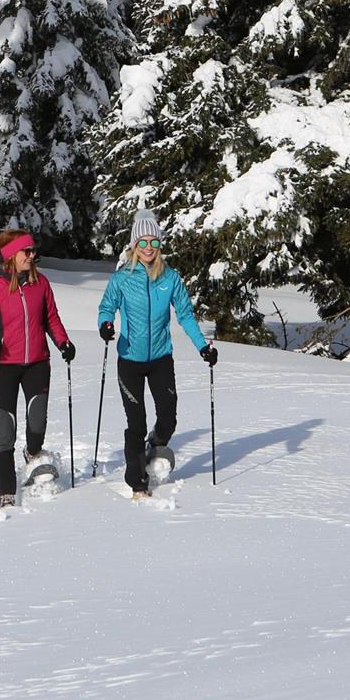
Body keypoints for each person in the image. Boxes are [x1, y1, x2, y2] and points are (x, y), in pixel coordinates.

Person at [96, 209, 216, 498]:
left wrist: (203, 346)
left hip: (161, 358)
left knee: (169, 417)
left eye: (154, 242)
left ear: (161, 245)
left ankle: (156, 443)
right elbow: (106, 307)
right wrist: (105, 325)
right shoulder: (122, 278)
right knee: (135, 423)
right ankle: (137, 482)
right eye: (143, 243)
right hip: (130, 360)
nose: (149, 248)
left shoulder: (171, 278)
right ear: (134, 246)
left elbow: (185, 315)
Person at [0, 228, 76, 506]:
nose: (32, 255)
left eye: (32, 251)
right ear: (10, 256)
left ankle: (33, 451)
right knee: (6, 430)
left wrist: (63, 343)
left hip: (38, 363)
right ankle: (5, 490)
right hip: (3, 365)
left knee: (36, 423)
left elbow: (51, 318)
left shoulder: (41, 283)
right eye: (26, 251)